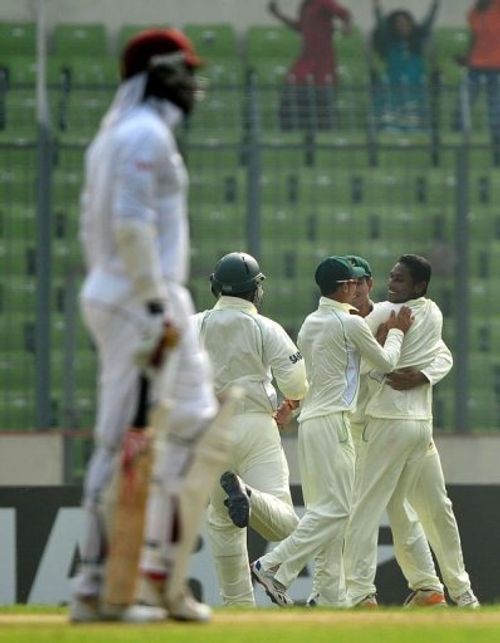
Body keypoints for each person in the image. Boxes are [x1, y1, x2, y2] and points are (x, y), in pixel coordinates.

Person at [70, 28, 233, 623]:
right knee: (123, 440)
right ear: (158, 72)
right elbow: (131, 226)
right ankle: (95, 587)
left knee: (192, 425)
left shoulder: (125, 133)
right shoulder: (142, 134)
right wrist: (155, 307)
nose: (192, 82)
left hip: (155, 296)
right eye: (183, 70)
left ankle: (157, 574)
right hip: (140, 300)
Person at [250, 256, 413, 608]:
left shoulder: (312, 322)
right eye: (353, 283)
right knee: (338, 510)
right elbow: (386, 364)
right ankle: (274, 566)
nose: (357, 288)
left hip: (311, 424)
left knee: (324, 511)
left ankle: (326, 596)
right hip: (334, 422)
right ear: (343, 287)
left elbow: (335, 369)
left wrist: (289, 407)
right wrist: (396, 332)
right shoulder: (350, 323)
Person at [343, 254, 479, 608]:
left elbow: (442, 355)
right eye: (348, 284)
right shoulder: (426, 310)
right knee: (405, 508)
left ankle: (360, 593)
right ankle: (436, 590)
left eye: (360, 283)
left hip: (389, 424)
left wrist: (421, 374)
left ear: (367, 286)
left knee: (382, 508)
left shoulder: (381, 313)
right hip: (398, 425)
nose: (355, 289)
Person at [193, 251, 308, 606]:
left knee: (222, 523)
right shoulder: (265, 327)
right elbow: (297, 381)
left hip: (210, 430)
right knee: (288, 524)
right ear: (256, 291)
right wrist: (293, 402)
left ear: (214, 286)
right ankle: (250, 496)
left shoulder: (193, 324)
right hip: (256, 425)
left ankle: (238, 611)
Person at [268, 0, 353, 130]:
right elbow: (300, 27)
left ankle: (323, 134)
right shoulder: (305, 5)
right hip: (306, 57)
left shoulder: (324, 2)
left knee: (321, 97)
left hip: (322, 59)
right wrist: (279, 15)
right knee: (292, 92)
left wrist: (346, 27)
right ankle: (292, 133)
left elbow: (345, 14)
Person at [370, 0, 440, 130]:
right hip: (393, 84)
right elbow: (381, 25)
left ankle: (416, 129)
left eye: (405, 23)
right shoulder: (390, 43)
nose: (402, 26)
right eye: (398, 23)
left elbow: (428, 22)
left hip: (416, 84)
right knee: (393, 112)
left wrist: (435, 5)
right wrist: (377, 9)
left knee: (415, 113)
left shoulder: (417, 41)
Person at [455, 0, 500, 164]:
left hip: (497, 67)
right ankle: (458, 146)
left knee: (496, 110)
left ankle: (497, 152)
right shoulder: (473, 11)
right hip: (475, 66)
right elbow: (474, 37)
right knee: (463, 105)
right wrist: (466, 57)